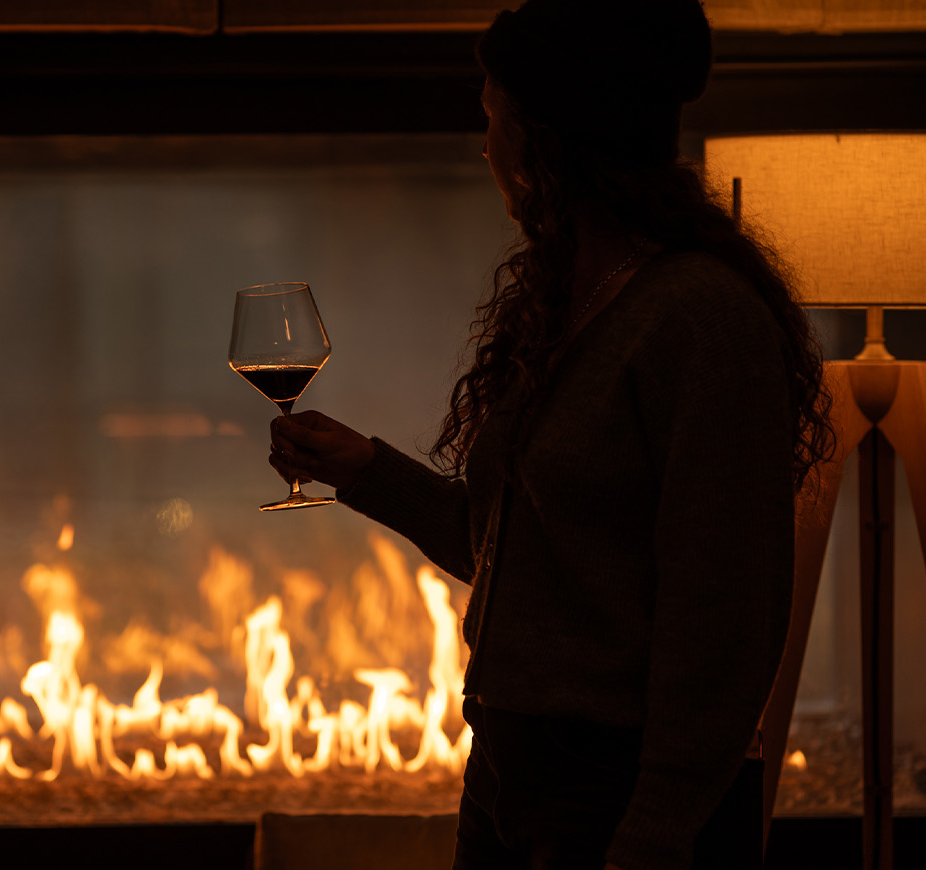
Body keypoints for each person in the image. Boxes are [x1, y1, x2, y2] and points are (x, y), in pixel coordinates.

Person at [266, 1, 833, 868]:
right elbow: (524, 555)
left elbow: (725, 616)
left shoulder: (701, 318)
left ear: (546, 139)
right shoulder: (571, 299)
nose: (484, 148)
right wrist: (366, 470)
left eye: (493, 119)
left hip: (615, 799)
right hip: (510, 778)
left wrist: (654, 835)